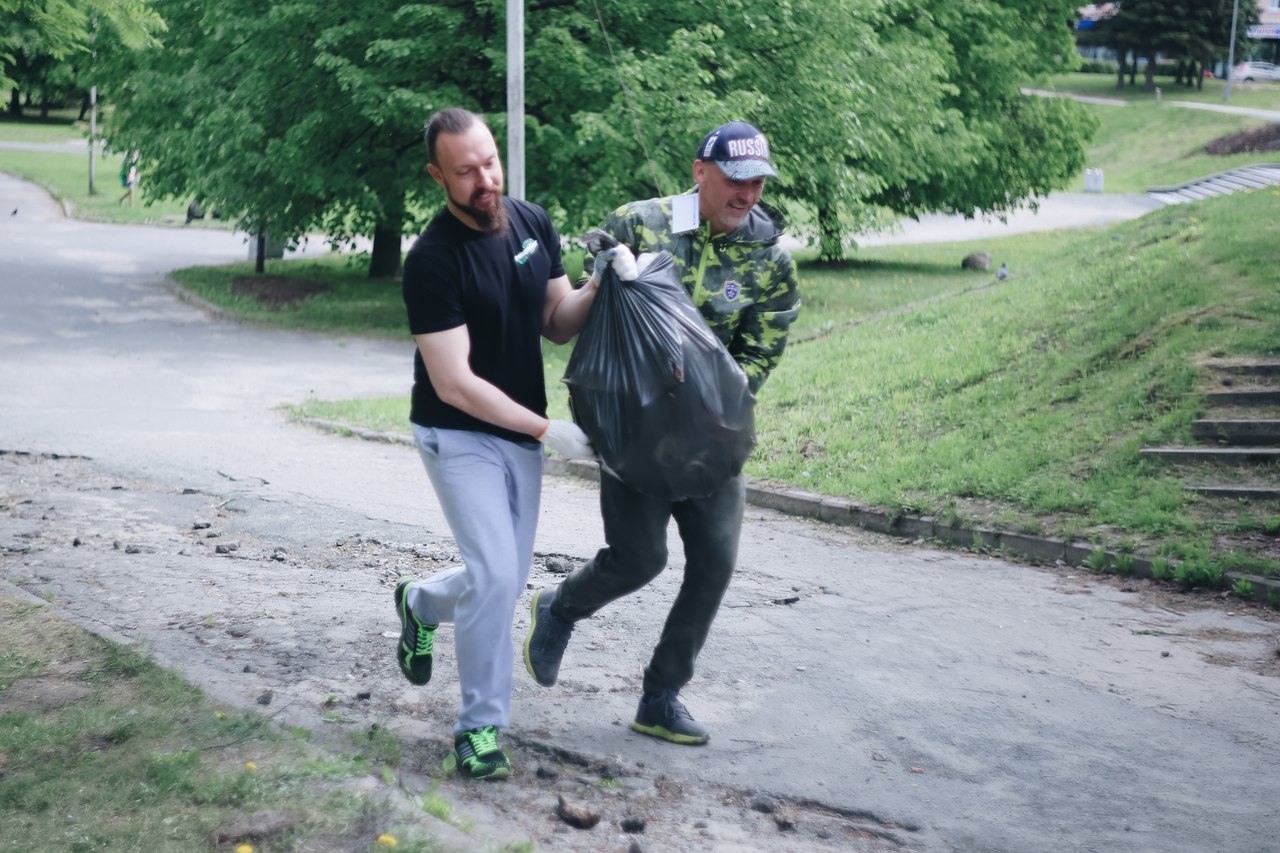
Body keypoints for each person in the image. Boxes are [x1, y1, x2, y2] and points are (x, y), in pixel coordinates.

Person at [523, 120, 800, 745]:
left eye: (757, 182)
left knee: (715, 563)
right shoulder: (638, 224)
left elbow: (760, 352)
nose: (747, 194)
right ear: (700, 172)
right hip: (637, 431)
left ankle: (661, 696)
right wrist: (604, 267)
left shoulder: (769, 259)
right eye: (735, 180)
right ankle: (561, 607)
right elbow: (579, 307)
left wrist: (715, 407)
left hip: (711, 436)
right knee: (639, 560)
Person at [394, 107, 629, 780]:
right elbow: (457, 382)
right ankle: (478, 730)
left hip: (519, 432)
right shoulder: (432, 261)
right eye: (465, 171)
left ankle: (420, 602)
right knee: (498, 574)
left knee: (499, 575)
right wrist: (548, 429)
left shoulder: (531, 223)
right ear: (437, 175)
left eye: (489, 162)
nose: (484, 179)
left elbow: (556, 321)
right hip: (457, 432)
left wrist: (598, 283)